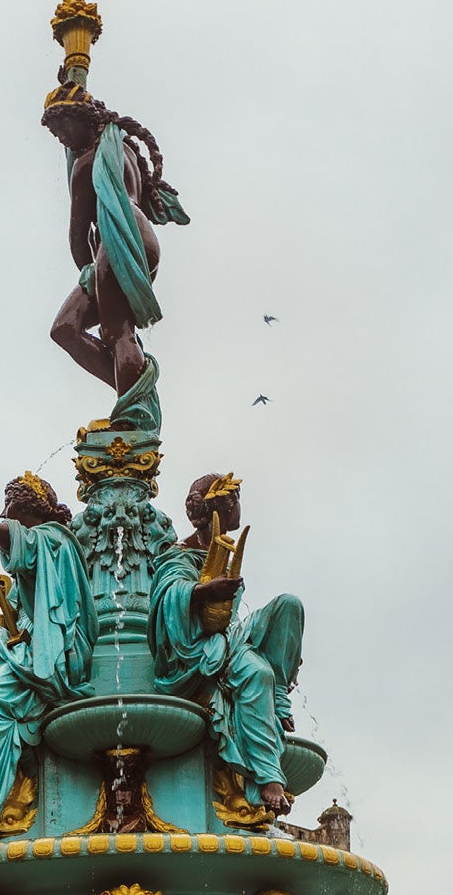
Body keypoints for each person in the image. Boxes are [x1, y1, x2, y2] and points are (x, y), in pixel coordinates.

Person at [0, 474, 95, 833]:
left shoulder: (58, 541)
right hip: (20, 643)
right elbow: (10, 616)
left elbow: (26, 542)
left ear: (27, 508)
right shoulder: (28, 563)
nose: (3, 514)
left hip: (52, 652)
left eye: (8, 506)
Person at [148, 471, 303, 818]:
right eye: (235, 502)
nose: (239, 508)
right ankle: (268, 777)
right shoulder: (181, 553)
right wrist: (206, 591)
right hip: (197, 647)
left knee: (288, 606)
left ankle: (279, 695)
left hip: (228, 634)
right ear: (220, 508)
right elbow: (166, 598)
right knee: (256, 673)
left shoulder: (222, 549)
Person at [44, 95, 189, 397]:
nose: (61, 138)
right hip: (138, 236)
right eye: (55, 133)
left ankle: (132, 409)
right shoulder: (121, 149)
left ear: (85, 119)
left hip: (116, 239)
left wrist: (89, 273)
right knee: (65, 329)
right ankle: (134, 395)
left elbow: (77, 234)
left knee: (117, 330)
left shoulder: (88, 163)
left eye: (64, 127)